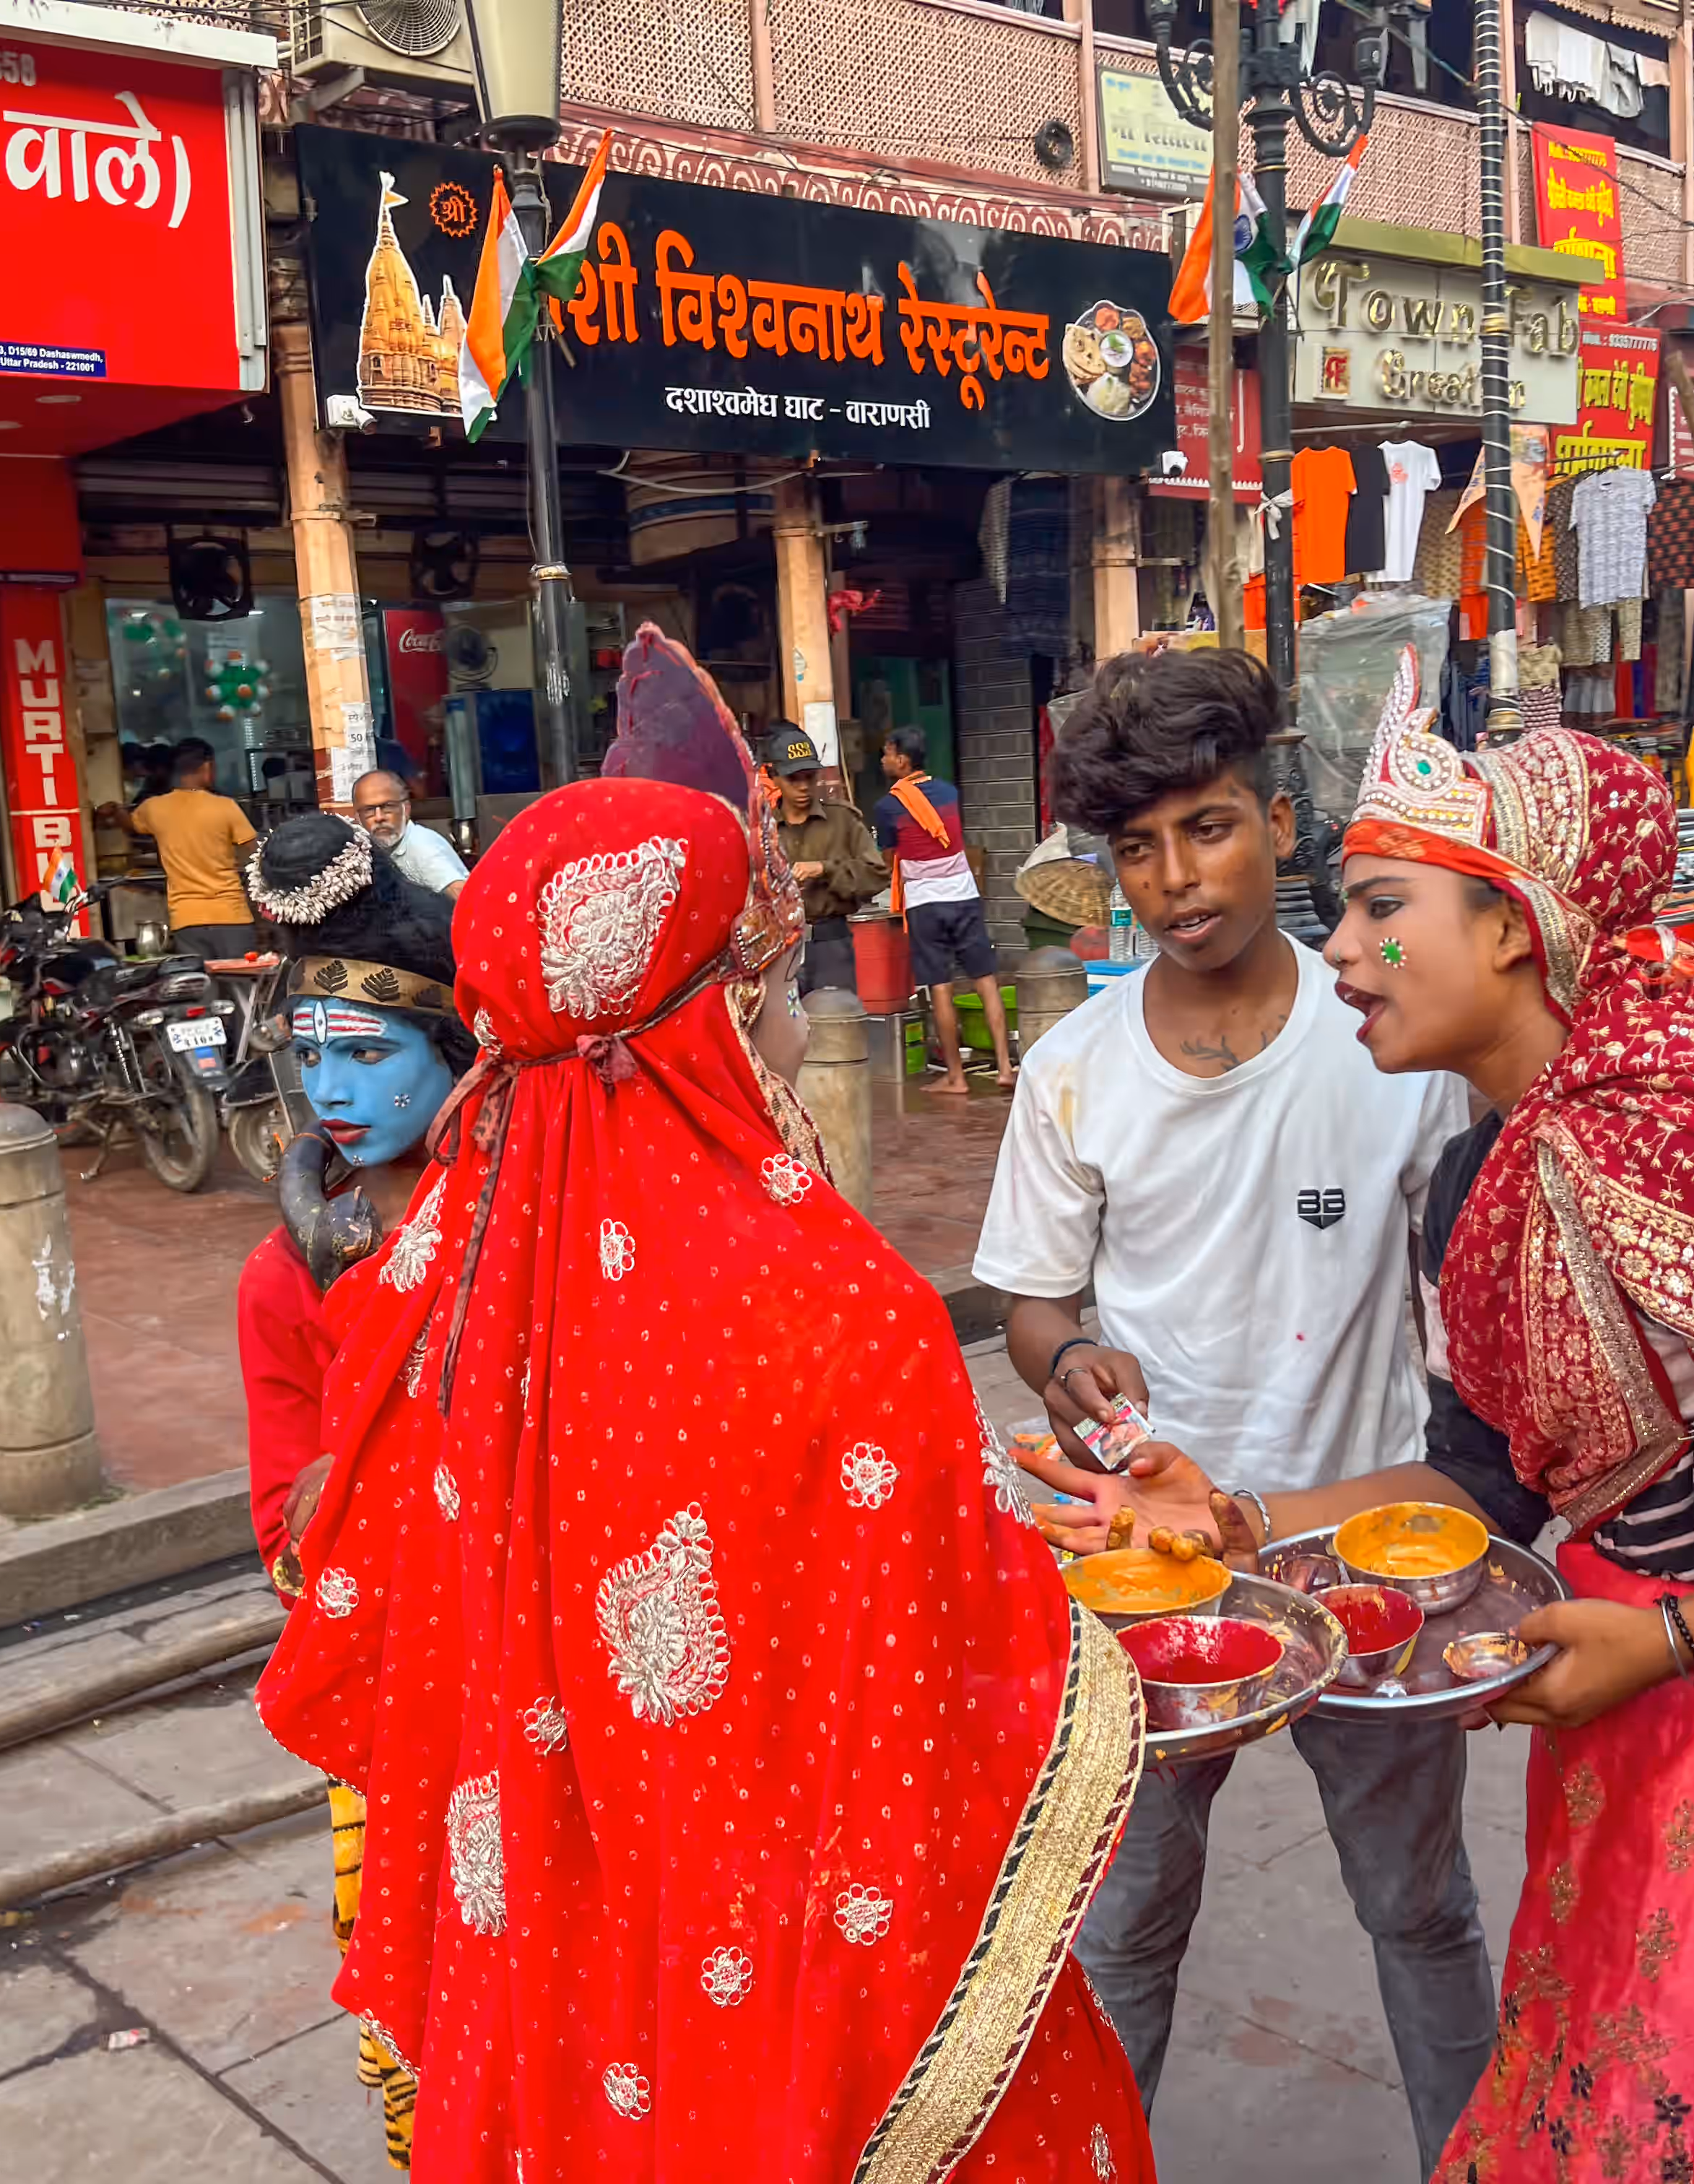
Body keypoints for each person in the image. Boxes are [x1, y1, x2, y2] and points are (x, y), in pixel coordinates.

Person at [253, 624, 1155, 2183]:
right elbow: (938, 1670)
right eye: (782, 975)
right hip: (800, 1946)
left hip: (557, 1936)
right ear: (722, 1010)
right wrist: (1090, 1575)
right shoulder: (829, 1299)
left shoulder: (436, 1284)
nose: (804, 1015)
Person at [1095, 660, 1694, 2183]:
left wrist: (1675, 1638)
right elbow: (1480, 1484)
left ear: (1514, 928)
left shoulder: (1671, 1141)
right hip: (1621, 1689)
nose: (1344, 949)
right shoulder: (1482, 1177)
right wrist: (1242, 1525)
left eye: (1385, 908)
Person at [986, 646, 1490, 2175]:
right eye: (1135, 849)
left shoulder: (1391, 1045)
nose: (1172, 879)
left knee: (1421, 1909)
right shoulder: (1075, 1071)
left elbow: (1464, 1284)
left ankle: (1474, 2155)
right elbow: (1034, 1306)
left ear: (1280, 822)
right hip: (1157, 1572)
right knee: (1126, 1929)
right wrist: (1070, 1372)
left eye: (1205, 828)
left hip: (1365, 1552)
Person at [234, 810, 475, 2169]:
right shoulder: (288, 1274)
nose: (334, 1085)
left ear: (452, 1053)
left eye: (371, 1051)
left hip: (512, 1663)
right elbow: (285, 1521)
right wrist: (345, 1501)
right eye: (312, 1054)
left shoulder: (521, 1226)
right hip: (377, 1675)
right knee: (405, 2002)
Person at [876, 724, 1015, 1094]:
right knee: (986, 981)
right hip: (964, 896)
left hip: (925, 905)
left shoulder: (888, 806)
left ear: (902, 760)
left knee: (941, 987)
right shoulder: (950, 793)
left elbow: (890, 856)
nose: (883, 760)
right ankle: (1004, 1067)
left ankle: (955, 1077)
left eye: (887, 753)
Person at [94, 738, 259, 956]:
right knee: (243, 985)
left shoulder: (154, 808)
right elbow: (256, 853)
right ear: (207, 768)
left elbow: (128, 824)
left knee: (201, 984)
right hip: (231, 915)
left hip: (186, 920)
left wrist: (115, 810)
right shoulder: (225, 807)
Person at [760, 722, 885, 997]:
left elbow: (877, 874)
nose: (804, 786)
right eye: (794, 778)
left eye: (810, 777)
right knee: (782, 1033)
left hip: (831, 943)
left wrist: (825, 869)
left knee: (837, 1029)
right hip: (779, 947)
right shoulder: (762, 830)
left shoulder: (842, 820)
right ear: (773, 775)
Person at [350, 767, 470, 898]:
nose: (379, 817)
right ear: (358, 818)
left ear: (406, 810)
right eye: (369, 810)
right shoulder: (364, 849)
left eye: (388, 807)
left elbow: (463, 897)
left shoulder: (422, 847)